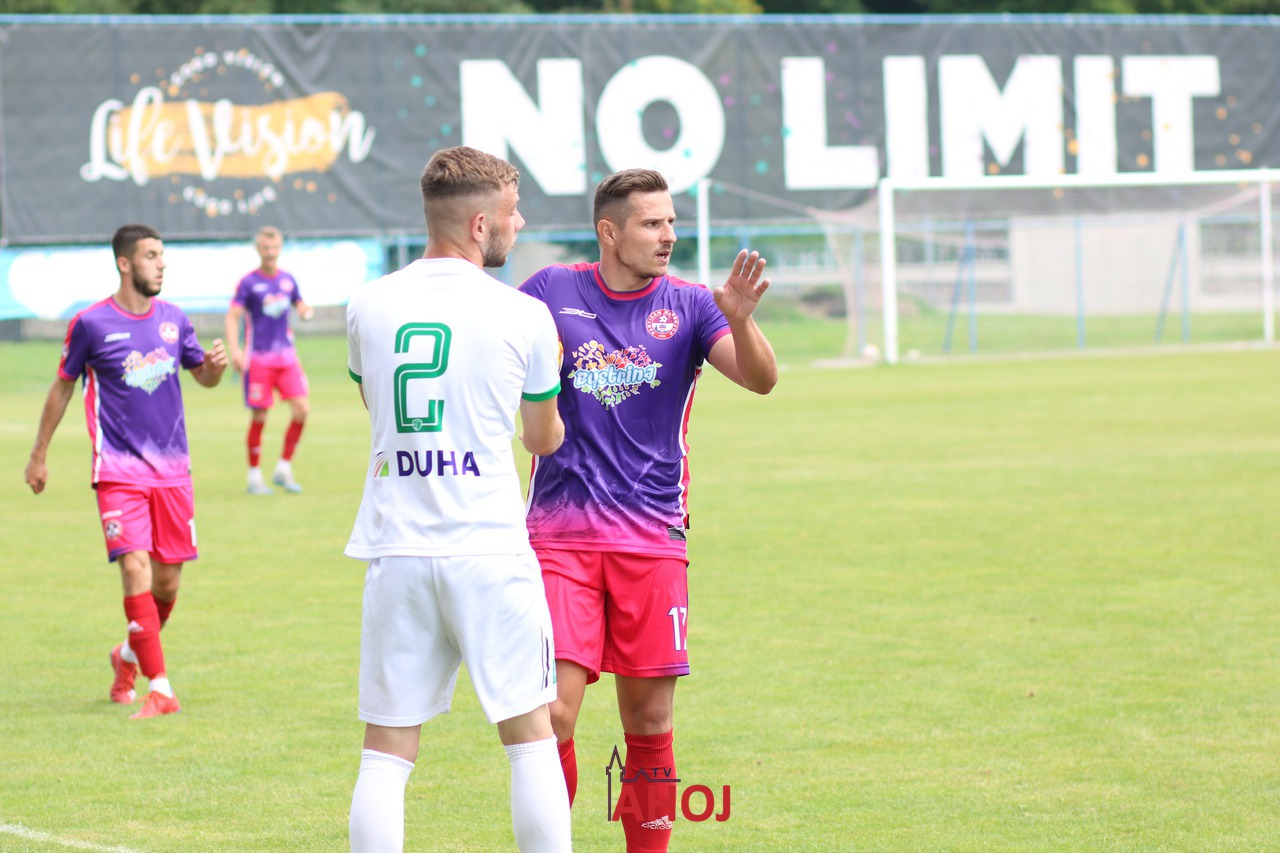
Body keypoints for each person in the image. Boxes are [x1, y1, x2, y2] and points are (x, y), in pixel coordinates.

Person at [519, 168, 778, 852]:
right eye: (652, 223)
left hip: (653, 539)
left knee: (650, 723)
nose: (668, 235)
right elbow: (492, 354)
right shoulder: (548, 290)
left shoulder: (691, 304)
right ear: (609, 232)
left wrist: (742, 319)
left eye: (671, 222)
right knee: (552, 715)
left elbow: (760, 379)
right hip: (559, 540)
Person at [344, 146, 572, 853]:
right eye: (512, 212)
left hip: (397, 547)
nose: (518, 223)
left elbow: (376, 408)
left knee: (386, 748)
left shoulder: (367, 305)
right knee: (531, 736)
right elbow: (542, 439)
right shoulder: (524, 314)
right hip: (488, 548)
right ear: (480, 224)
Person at [24, 224, 229, 720]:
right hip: (117, 471)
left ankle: (128, 657)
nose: (162, 263)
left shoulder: (175, 319)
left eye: (162, 255)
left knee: (167, 586)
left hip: (173, 473)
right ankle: (161, 690)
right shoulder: (91, 324)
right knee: (135, 568)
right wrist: (39, 453)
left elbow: (202, 375)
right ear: (125, 262)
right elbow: (63, 386)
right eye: (152, 255)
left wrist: (216, 368)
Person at [224, 225, 314, 495]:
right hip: (259, 359)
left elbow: (299, 303)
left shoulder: (287, 280)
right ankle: (254, 476)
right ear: (258, 249)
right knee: (260, 415)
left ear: (280, 248)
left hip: (287, 357)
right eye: (266, 248)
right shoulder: (249, 282)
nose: (270, 253)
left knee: (302, 410)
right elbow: (233, 316)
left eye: (274, 248)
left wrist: (305, 310)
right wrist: (235, 350)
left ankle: (284, 468)